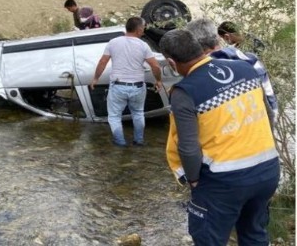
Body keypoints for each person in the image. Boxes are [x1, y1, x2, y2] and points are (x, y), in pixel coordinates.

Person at [159, 29, 279, 246]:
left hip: (223, 182)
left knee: (208, 238)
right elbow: (268, 115)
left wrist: (194, 179)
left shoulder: (184, 91)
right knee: (254, 233)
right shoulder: (245, 68)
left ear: (171, 62)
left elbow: (188, 146)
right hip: (267, 171)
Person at [186, 18, 278, 125]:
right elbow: (269, 97)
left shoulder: (197, 78)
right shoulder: (249, 58)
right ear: (216, 38)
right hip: (262, 123)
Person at [89, 17, 162, 146]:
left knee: (115, 117)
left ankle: (120, 143)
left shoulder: (113, 42)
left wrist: (95, 79)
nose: (144, 31)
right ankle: (138, 141)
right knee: (138, 113)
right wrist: (158, 80)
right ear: (139, 30)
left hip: (118, 86)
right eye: (143, 28)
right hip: (138, 87)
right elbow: (155, 66)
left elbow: (102, 62)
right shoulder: (143, 45)